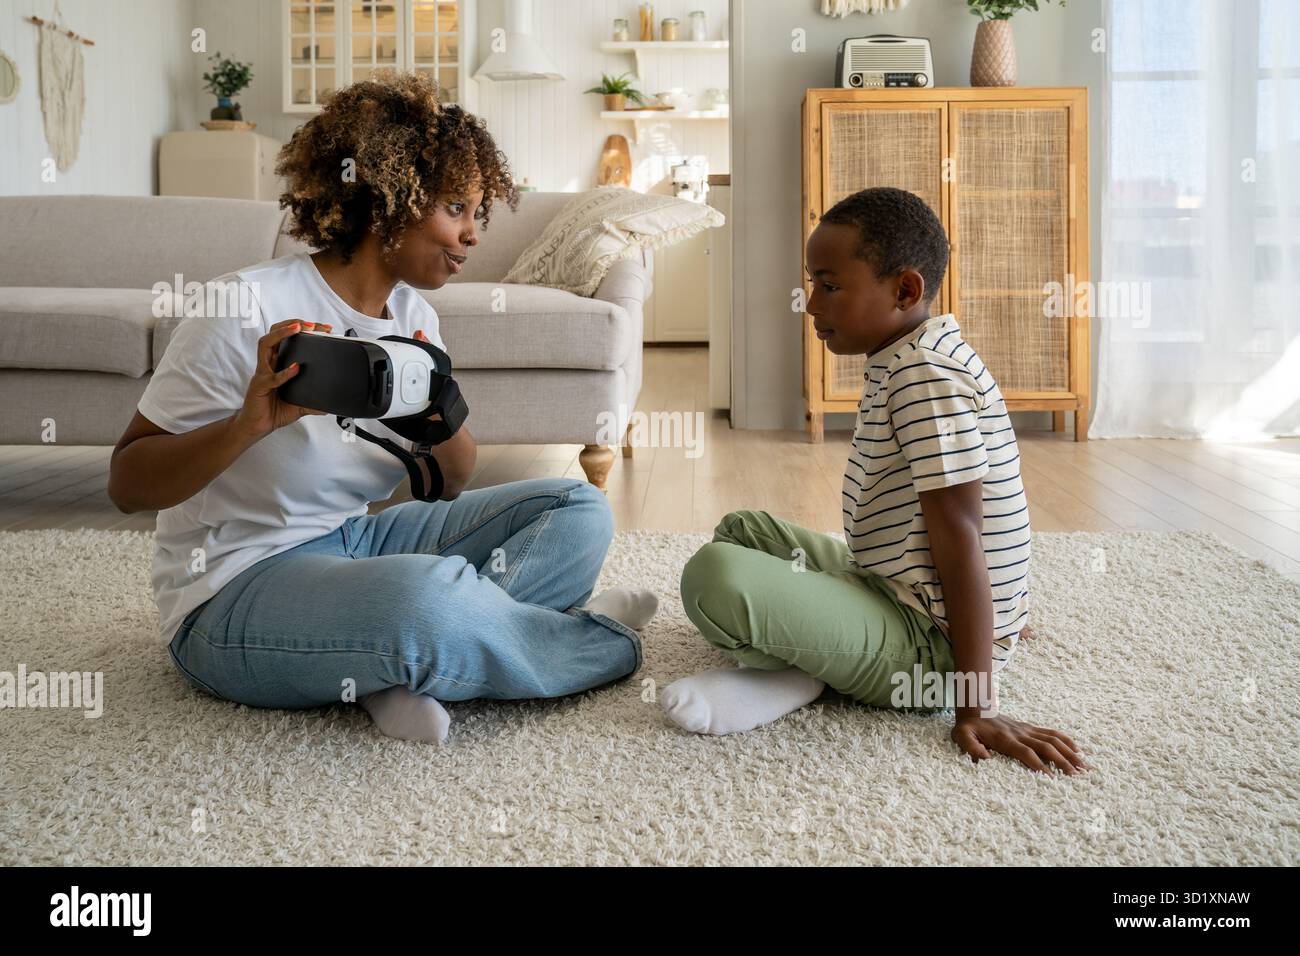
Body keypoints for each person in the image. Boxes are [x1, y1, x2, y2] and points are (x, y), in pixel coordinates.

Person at [108, 72, 657, 745]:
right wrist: (247, 425)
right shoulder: (244, 306)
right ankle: (585, 640)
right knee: (425, 600)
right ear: (389, 197)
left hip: (355, 543)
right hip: (233, 586)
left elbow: (451, 480)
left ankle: (394, 661)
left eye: (476, 213)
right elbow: (127, 485)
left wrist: (435, 403)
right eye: (456, 207)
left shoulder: (412, 316)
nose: (472, 235)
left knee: (578, 511)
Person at [660, 187, 1087, 776]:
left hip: (927, 652)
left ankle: (794, 679)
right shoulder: (911, 352)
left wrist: (977, 701)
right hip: (894, 588)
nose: (811, 304)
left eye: (830, 286)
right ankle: (821, 654)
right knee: (742, 530)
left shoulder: (924, 376)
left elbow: (962, 532)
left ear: (905, 290)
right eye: (813, 283)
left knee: (715, 576)